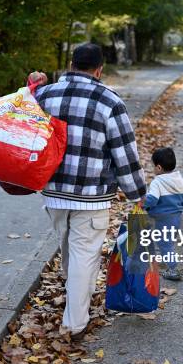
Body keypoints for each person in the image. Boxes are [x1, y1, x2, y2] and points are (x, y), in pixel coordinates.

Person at [29, 43, 146, 340]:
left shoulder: (45, 95)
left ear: (70, 64)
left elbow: (24, 125)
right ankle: (75, 324)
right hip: (91, 197)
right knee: (84, 256)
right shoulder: (110, 102)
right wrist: (137, 193)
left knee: (71, 251)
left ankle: (74, 302)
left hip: (53, 192)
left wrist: (33, 85)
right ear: (99, 70)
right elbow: (125, 154)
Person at [143, 147, 183, 281]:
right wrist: (182, 206)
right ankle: (164, 260)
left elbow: (152, 199)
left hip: (161, 218)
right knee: (168, 241)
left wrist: (142, 203)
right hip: (176, 218)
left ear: (159, 168)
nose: (153, 169)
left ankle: (173, 269)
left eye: (153, 166)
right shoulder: (179, 179)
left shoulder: (157, 182)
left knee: (164, 243)